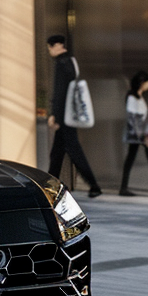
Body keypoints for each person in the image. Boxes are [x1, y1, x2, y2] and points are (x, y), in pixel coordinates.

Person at [46, 34, 102, 198]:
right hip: (70, 114)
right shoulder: (71, 62)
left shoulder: (61, 64)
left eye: (50, 47)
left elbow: (60, 92)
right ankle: (50, 187)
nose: (49, 51)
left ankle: (94, 185)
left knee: (74, 152)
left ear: (57, 46)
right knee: (56, 154)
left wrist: (55, 116)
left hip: (64, 117)